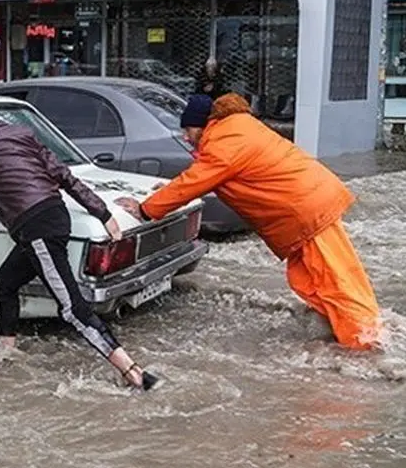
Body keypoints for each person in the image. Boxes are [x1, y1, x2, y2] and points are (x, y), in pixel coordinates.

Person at [115, 93, 382, 351]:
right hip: (309, 208)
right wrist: (167, 191)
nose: (186, 137)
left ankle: (363, 344)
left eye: (189, 130)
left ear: (203, 124)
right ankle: (345, 330)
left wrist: (145, 209)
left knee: (332, 280)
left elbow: (194, 182)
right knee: (310, 278)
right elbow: (198, 179)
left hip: (308, 212)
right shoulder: (236, 128)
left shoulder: (224, 142)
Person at [0, 83, 157, 390]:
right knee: (5, 281)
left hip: (35, 226)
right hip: (54, 217)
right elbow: (62, 175)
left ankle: (134, 373)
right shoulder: (20, 132)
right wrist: (102, 212)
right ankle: (6, 349)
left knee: (72, 308)